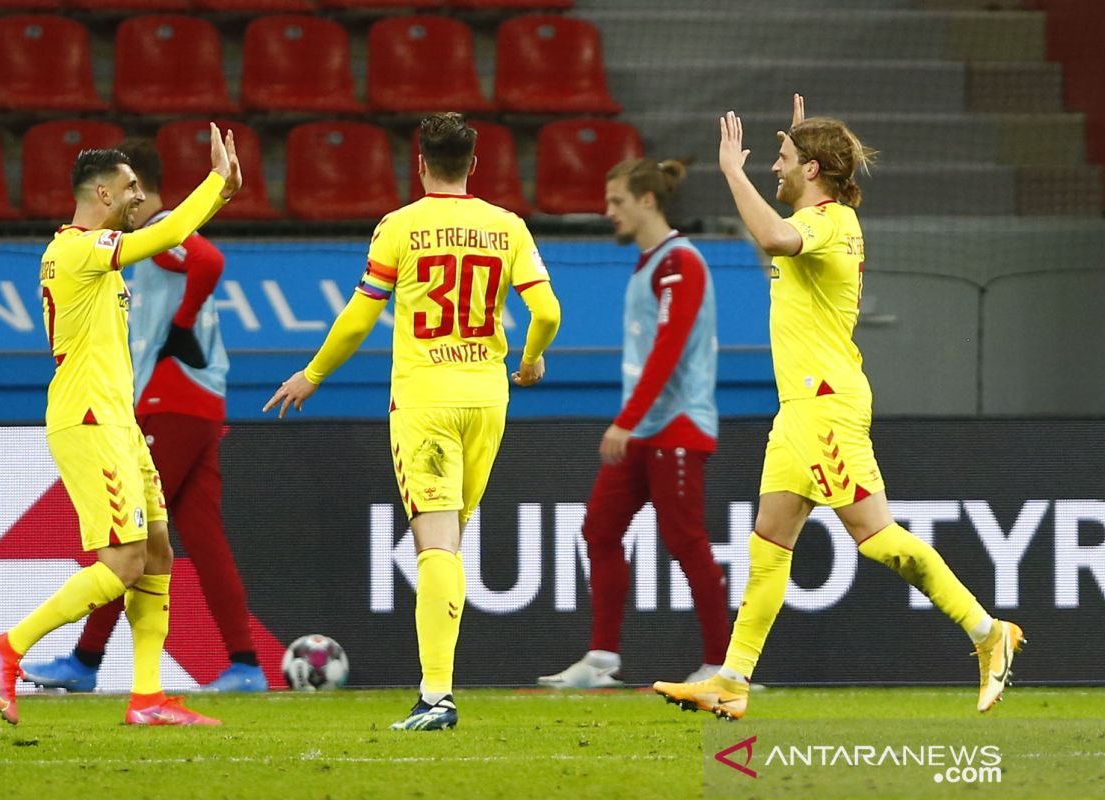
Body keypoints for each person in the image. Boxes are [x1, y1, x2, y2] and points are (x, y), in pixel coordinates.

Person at [653, 95, 1024, 720]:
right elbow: (774, 240)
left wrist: (731, 171)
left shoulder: (825, 223)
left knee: (875, 536)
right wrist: (800, 138)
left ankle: (988, 632)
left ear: (814, 171)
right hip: (801, 406)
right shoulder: (826, 222)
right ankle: (732, 680)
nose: (774, 166)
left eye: (784, 157)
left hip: (823, 403)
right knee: (770, 541)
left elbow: (772, 234)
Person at [264, 112, 561, 731]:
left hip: (425, 400)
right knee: (449, 546)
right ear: (473, 165)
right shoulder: (506, 226)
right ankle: (438, 692)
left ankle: (435, 697)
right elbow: (548, 311)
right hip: (487, 400)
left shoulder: (399, 227)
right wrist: (530, 360)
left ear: (420, 163)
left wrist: (313, 374)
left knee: (436, 547)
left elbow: (358, 316)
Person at [0, 123, 242, 726]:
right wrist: (216, 183)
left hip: (117, 421)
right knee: (121, 563)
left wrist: (220, 196)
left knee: (157, 552)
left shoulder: (96, 259)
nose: (139, 201)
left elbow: (175, 235)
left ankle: (147, 697)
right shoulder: (75, 250)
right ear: (101, 195)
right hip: (88, 421)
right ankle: (8, 648)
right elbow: (172, 231)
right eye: (130, 191)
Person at [537, 158, 730, 690]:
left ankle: (722, 666)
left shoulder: (679, 263)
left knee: (686, 540)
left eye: (617, 201)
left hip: (676, 427)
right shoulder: (651, 264)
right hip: (647, 430)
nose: (608, 212)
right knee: (599, 529)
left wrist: (625, 420)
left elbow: (668, 351)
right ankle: (601, 661)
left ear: (647, 200)